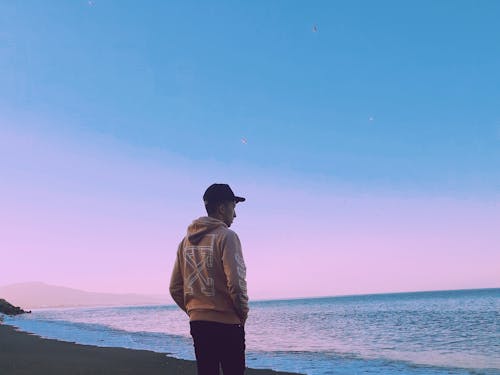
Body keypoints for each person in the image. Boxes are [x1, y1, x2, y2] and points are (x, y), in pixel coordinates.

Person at [169, 183, 249, 375]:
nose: (235, 215)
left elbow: (175, 288)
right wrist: (242, 314)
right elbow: (236, 284)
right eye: (233, 207)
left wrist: (195, 311)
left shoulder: (185, 242)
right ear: (222, 208)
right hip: (228, 324)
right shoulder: (227, 237)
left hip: (199, 324)